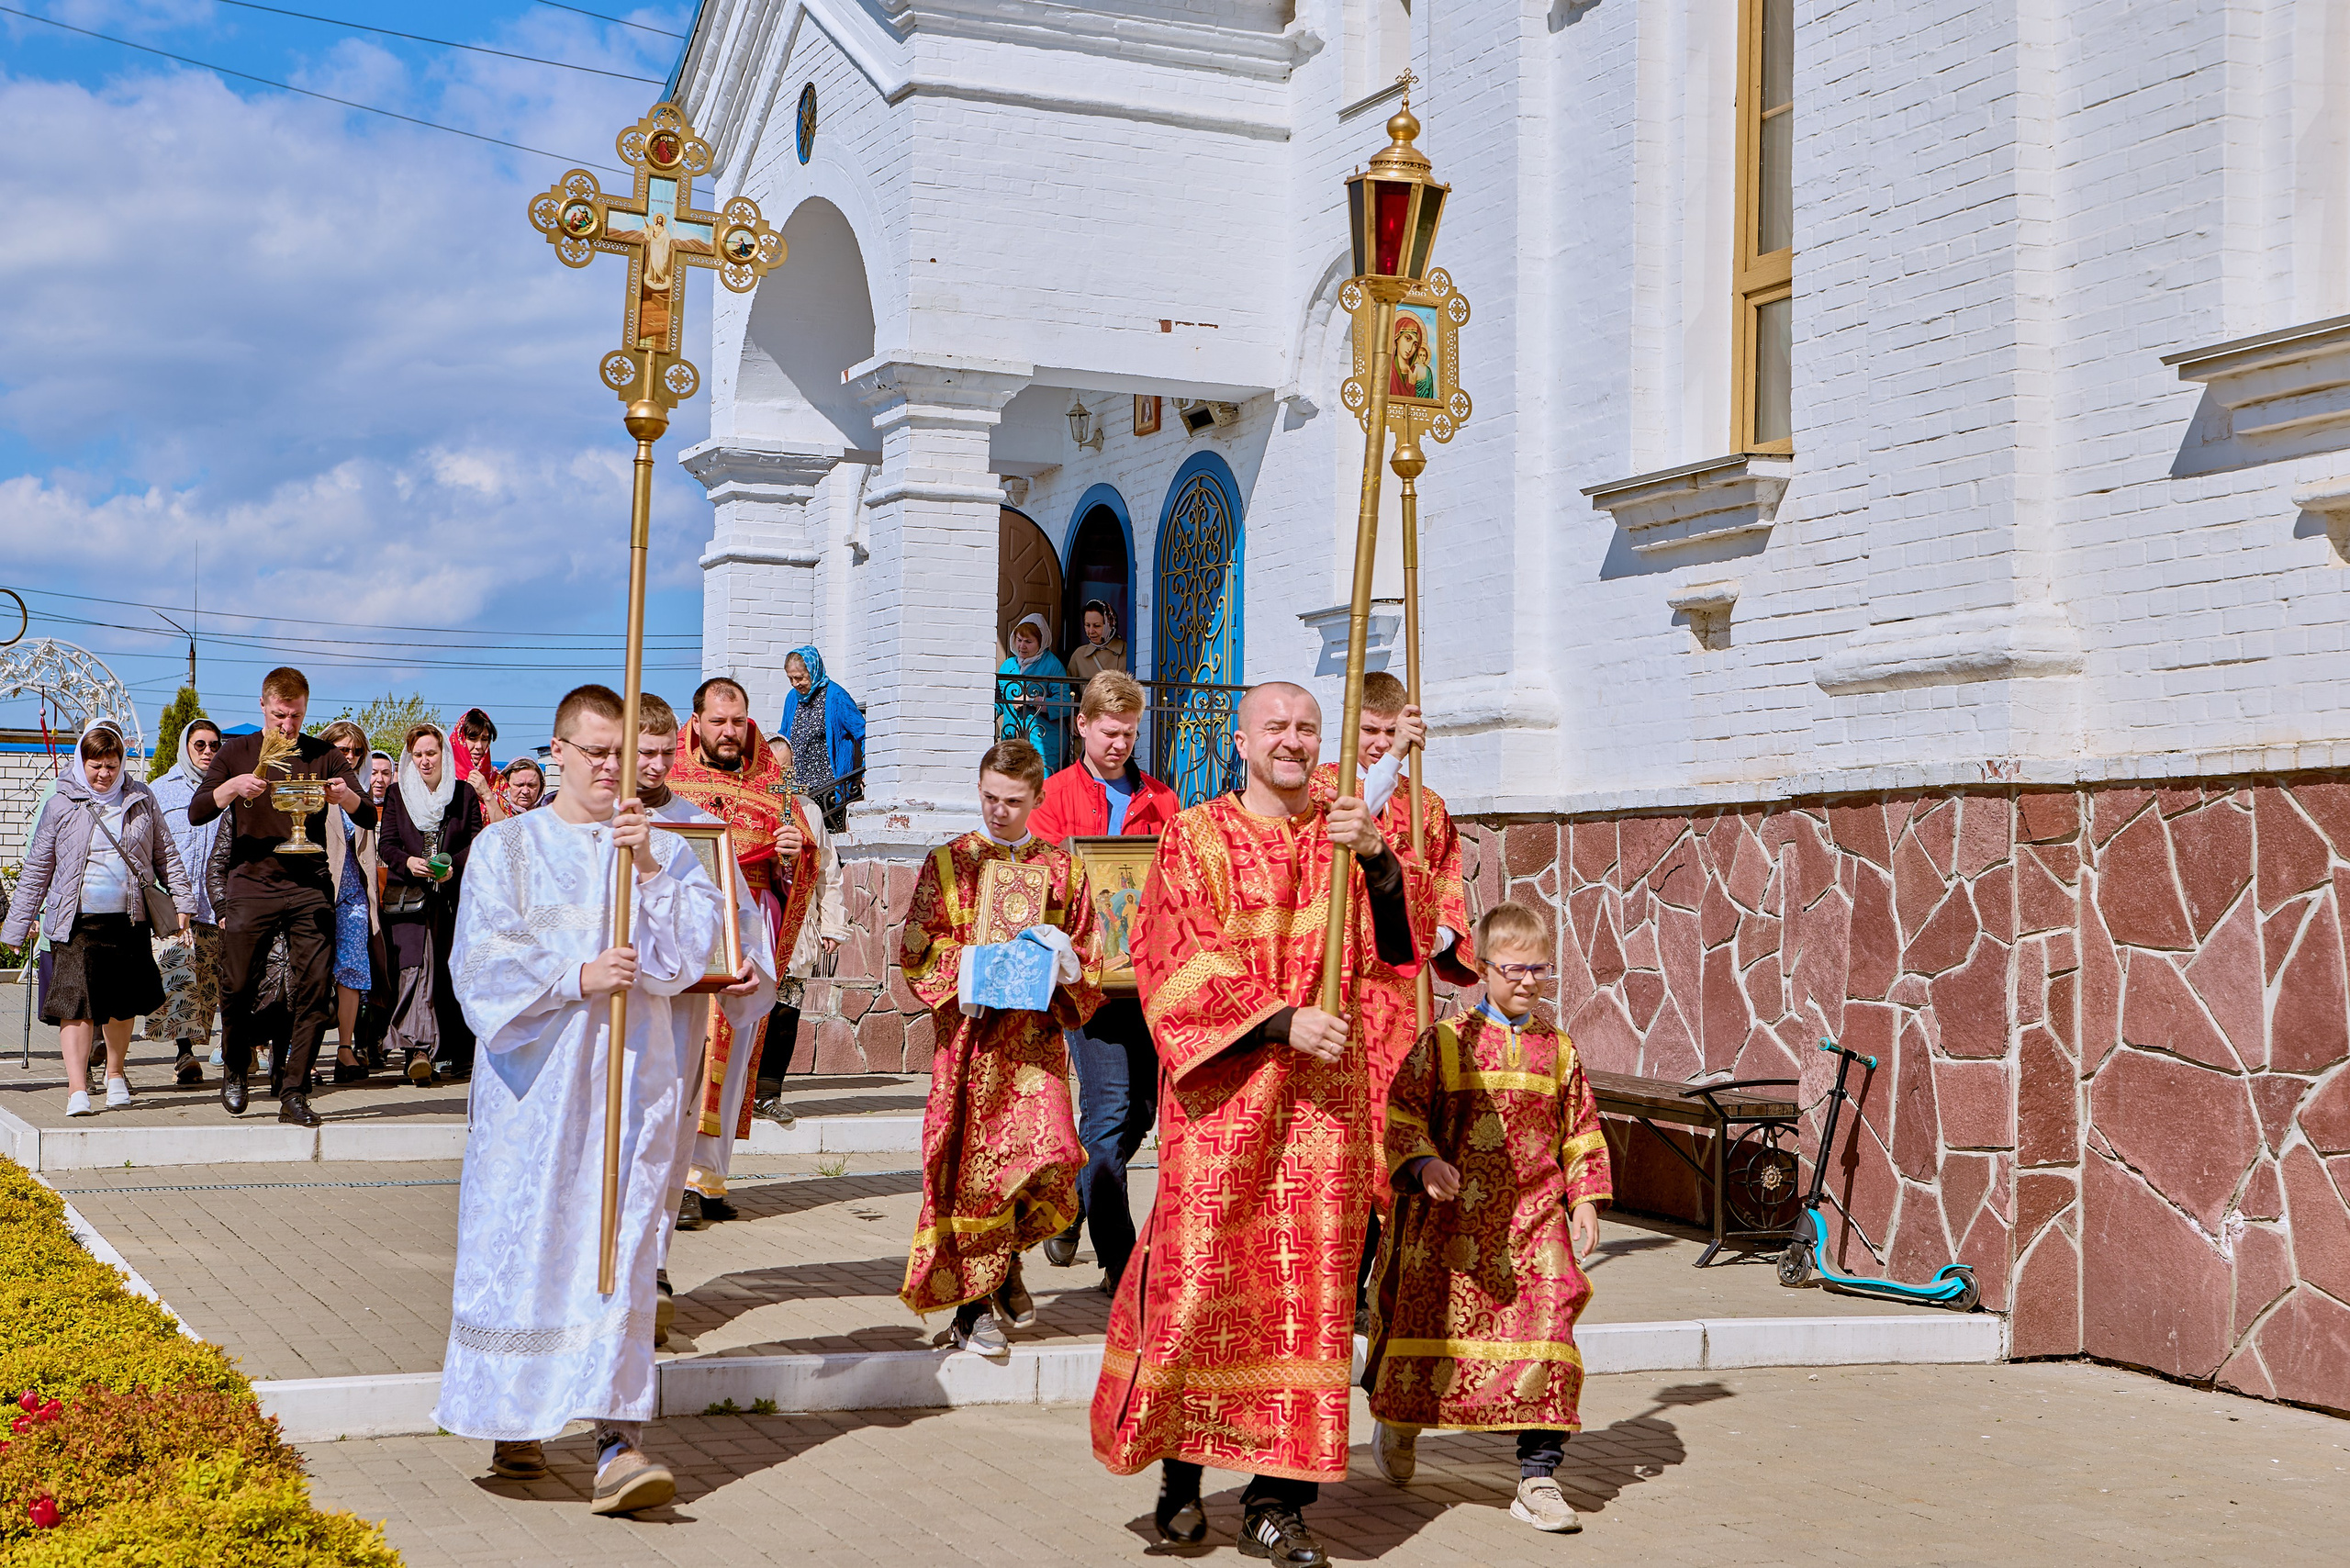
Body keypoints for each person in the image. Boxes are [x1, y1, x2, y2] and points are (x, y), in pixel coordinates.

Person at [1091, 681, 1419, 1565]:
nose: (1294, 741)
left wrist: (1381, 861)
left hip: (1325, 1117)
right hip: (1224, 1110)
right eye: (1276, 726)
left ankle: (1280, 1502)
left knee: (1307, 1304)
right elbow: (1172, 960)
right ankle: (1185, 1478)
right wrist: (1280, 1021)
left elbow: (1396, 953)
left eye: (1309, 728)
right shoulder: (1194, 836)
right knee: (1201, 1290)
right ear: (1241, 740)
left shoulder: (1345, 832)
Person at [433, 682, 723, 1518]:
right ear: (557, 750)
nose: (609, 768)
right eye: (594, 751)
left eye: (623, 754)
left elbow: (696, 952)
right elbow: (480, 969)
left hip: (632, 1093)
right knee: (532, 1245)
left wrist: (651, 869)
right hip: (537, 1098)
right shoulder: (508, 847)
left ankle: (616, 1443)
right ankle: (515, 1418)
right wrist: (576, 977)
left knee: (619, 1250)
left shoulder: (658, 847)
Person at [1362, 902, 1612, 1535]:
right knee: (1424, 1330)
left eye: (1539, 970)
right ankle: (1398, 1421)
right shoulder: (1446, 1044)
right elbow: (1402, 1115)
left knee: (1554, 1321)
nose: (1527, 981)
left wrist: (1583, 1198)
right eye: (1513, 969)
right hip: (1448, 1230)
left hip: (1533, 1224)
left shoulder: (1559, 1051)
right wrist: (1422, 1166)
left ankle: (1538, 1475)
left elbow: (1580, 1130)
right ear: (1484, 967)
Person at [900, 738, 1101, 1357]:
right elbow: (917, 947)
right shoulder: (947, 863)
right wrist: (974, 969)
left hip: (1035, 1050)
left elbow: (1090, 953)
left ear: (1037, 799)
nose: (998, 811)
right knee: (970, 1177)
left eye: (1012, 801)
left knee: (1046, 1156)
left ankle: (1007, 1262)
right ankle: (973, 1310)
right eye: (989, 797)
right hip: (968, 1048)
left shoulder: (1063, 869)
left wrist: (1068, 962)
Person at [1306, 670, 1475, 1312]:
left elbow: (1449, 876)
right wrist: (1396, 756)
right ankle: (1343, 1287)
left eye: (1388, 733)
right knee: (1342, 1140)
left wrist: (1444, 931)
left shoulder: (1428, 806)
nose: (1378, 744)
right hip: (1341, 990)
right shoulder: (1326, 787)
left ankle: (1392, 1277)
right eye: (1369, 733)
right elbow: (1342, 837)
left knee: (1397, 1130)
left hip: (1400, 997)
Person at [1027, 671, 1180, 1292]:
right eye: (1108, 731)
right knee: (1108, 1112)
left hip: (1148, 983)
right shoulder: (1054, 796)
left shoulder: (1163, 801)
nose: (1118, 744)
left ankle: (1076, 1202)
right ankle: (1121, 1265)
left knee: (1143, 1110)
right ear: (1083, 725)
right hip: (1086, 983)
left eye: (1129, 733)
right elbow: (1031, 883)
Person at [634, 693, 773, 1341]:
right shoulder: (591, 821)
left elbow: (738, 919)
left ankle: (654, 1269)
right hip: (609, 1015)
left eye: (665, 753)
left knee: (667, 1141)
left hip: (682, 1017)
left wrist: (747, 967)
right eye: (645, 753)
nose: (657, 766)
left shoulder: (697, 828)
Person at [190, 667, 375, 1126]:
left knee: (313, 989)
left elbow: (369, 815)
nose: (287, 726)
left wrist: (343, 797)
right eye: (279, 715)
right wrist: (231, 787)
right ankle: (234, 1068)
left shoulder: (325, 755)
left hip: (309, 885)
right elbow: (197, 811)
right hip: (251, 884)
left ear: (305, 711)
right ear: (263, 706)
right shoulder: (237, 751)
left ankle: (293, 1090)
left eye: (296, 716)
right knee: (236, 985)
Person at [652, 682, 800, 1226]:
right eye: (719, 722)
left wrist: (790, 857)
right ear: (696, 721)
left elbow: (797, 863)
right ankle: (680, 1178)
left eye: (738, 721)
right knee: (694, 1051)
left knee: (732, 1053)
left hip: (748, 923)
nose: (730, 732)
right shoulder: (672, 782)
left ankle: (711, 1178)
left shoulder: (772, 783)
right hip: (692, 928)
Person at [5, 722, 195, 1117]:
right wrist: (17, 926)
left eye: (111, 765)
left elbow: (167, 854)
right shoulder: (61, 802)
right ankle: (77, 1088)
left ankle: (115, 1074)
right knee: (74, 1005)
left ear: (122, 763)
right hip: (74, 922)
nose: (104, 773)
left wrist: (184, 901)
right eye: (96, 765)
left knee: (122, 1005)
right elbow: (38, 867)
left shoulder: (141, 798)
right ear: (82, 761)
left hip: (128, 919)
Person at [377, 722, 486, 1084]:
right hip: (408, 898)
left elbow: (475, 841)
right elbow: (387, 844)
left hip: (451, 899)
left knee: (451, 971)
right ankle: (417, 1050)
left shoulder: (464, 794)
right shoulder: (397, 795)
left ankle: (458, 1053)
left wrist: (453, 865)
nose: (425, 761)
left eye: (431, 753)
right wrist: (408, 862)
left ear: (444, 754)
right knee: (415, 969)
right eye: (418, 754)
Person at [147, 717, 225, 1086]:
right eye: (200, 745)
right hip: (172, 903)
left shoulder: (228, 792)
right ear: (185, 746)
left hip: (215, 905)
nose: (208, 751)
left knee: (207, 984)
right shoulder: (160, 791)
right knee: (177, 976)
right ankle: (184, 1054)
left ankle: (208, 1046)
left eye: (214, 745)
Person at [314, 722, 381, 1085]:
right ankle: (301, 1052)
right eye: (343, 750)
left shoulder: (363, 792)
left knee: (352, 972)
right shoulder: (313, 789)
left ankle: (345, 1049)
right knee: (311, 972)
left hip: (356, 895)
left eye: (356, 751)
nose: (350, 757)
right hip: (320, 893)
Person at [778, 645, 865, 834]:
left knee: (823, 842)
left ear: (813, 670)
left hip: (829, 791)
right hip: (799, 789)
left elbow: (863, 733)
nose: (795, 683)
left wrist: (868, 775)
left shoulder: (837, 697)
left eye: (800, 677)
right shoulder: (792, 698)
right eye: (790, 678)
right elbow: (784, 736)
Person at [994, 612, 1069, 773]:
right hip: (1011, 738)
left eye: (1028, 641)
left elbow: (1065, 703)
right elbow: (999, 699)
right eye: (1019, 640)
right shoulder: (1008, 666)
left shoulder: (1053, 666)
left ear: (1041, 642)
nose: (1022, 646)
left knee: (1040, 786)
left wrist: (1032, 700)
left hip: (1044, 741)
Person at [451, 707, 507, 823]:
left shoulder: (498, 782)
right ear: (460, 739)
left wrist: (487, 794)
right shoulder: (444, 779)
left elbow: (509, 829)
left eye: (484, 739)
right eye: (472, 739)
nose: (479, 746)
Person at [1068, 599, 1128, 683]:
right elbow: (1070, 691)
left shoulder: (1128, 652)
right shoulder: (1079, 655)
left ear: (1110, 624)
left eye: (1097, 626)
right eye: (1087, 625)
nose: (1091, 631)